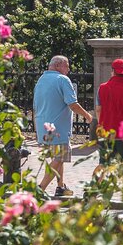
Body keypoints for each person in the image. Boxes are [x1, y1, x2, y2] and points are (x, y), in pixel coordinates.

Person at [34, 55, 92, 197]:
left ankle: (61, 187)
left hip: (42, 125)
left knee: (57, 156)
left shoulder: (41, 80)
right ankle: (40, 188)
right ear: (59, 65)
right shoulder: (62, 79)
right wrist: (88, 116)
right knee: (60, 157)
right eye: (67, 66)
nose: (69, 69)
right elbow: (72, 104)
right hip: (58, 127)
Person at [92, 59, 123, 180]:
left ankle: (93, 190)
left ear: (112, 71)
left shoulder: (102, 88)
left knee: (103, 163)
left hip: (106, 132)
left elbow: (98, 110)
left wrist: (102, 124)